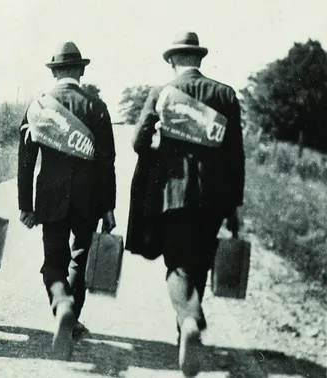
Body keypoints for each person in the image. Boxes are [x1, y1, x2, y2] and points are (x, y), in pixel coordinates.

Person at [126, 32, 244, 376]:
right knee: (200, 265)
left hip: (172, 194)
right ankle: (186, 327)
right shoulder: (225, 94)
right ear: (199, 60)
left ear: (173, 61)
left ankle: (188, 321)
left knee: (177, 265)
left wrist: (162, 149)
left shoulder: (162, 93)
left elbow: (138, 142)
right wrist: (234, 204)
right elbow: (236, 155)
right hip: (214, 197)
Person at [17, 42, 117, 360]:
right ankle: (71, 316)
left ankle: (61, 303)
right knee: (80, 258)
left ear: (55, 71)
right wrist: (109, 206)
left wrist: (25, 204)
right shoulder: (97, 107)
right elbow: (107, 161)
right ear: (81, 71)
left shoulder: (39, 105)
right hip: (89, 198)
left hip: (50, 196)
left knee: (53, 261)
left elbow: (25, 159)